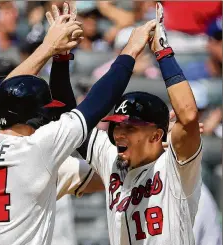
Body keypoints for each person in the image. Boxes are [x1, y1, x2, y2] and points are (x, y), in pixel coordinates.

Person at [0, 9, 156, 244]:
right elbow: (96, 103)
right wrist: (131, 50)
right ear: (36, 116)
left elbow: (1, 94)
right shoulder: (37, 149)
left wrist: (52, 49)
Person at [76, 4, 202, 244]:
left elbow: (188, 114)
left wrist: (163, 53)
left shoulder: (176, 167)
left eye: (130, 127)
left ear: (156, 135)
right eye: (118, 125)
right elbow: (74, 123)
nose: (119, 133)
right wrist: (61, 60)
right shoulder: (111, 158)